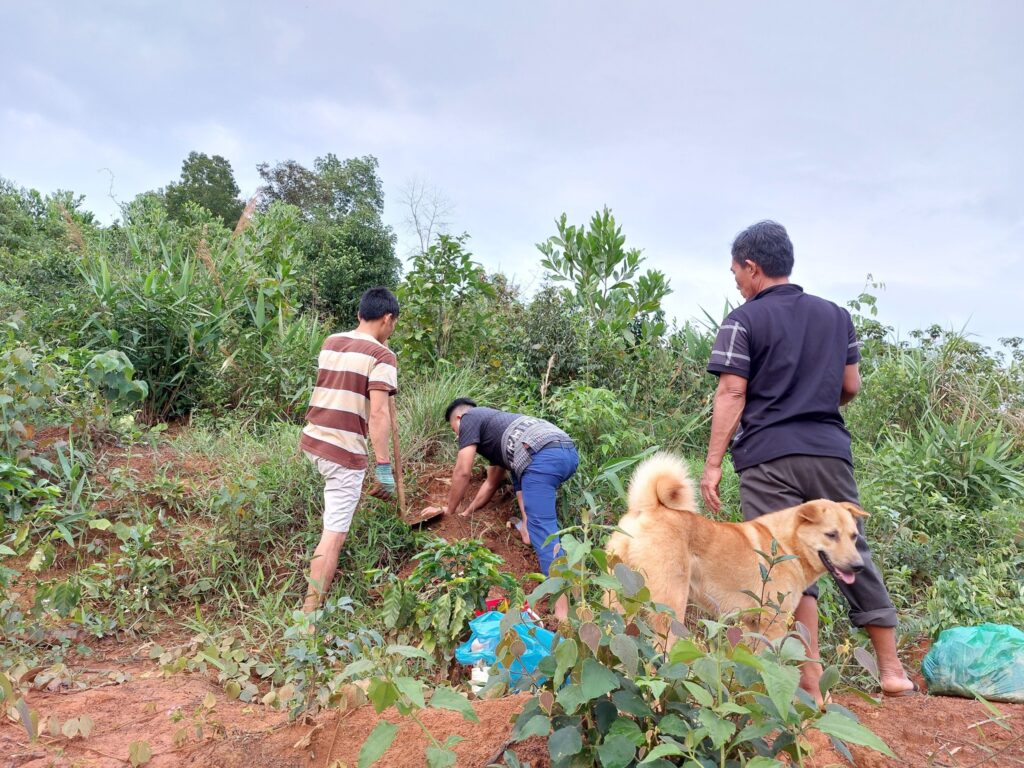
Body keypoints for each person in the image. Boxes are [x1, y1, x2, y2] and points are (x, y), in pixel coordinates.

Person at [699, 220, 917, 702]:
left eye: (736, 273)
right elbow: (850, 386)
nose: (737, 282)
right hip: (828, 450)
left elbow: (732, 391)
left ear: (752, 268)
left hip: (767, 457)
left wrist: (712, 465)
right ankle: (891, 669)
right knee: (852, 548)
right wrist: (812, 403)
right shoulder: (836, 316)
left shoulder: (743, 320)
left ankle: (808, 684)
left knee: (784, 562)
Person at [420, 400, 579, 619]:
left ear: (458, 418)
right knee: (523, 489)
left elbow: (463, 471)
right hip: (565, 452)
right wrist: (466, 513)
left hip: (542, 456)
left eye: (454, 430)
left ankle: (563, 613)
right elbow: (491, 483)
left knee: (544, 530)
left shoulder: (470, 417)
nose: (458, 436)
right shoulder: (500, 433)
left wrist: (449, 510)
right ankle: (528, 531)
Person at [299, 287, 400, 614]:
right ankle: (309, 618)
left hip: (313, 439)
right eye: (394, 324)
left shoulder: (331, 342)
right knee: (333, 535)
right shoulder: (383, 357)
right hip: (343, 453)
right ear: (388, 319)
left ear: (360, 314)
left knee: (332, 514)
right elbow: (379, 413)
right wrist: (383, 467)